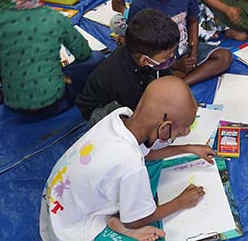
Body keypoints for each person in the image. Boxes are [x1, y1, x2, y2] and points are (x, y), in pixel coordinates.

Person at [40, 76, 216, 241]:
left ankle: (117, 217)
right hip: (71, 232)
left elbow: (146, 154)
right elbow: (135, 223)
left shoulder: (119, 117)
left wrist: (188, 148)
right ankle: (116, 220)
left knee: (153, 161)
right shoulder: (130, 162)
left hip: (61, 207)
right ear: (164, 128)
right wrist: (180, 202)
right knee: (156, 237)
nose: (180, 136)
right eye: (179, 133)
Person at [0, 0, 102, 114]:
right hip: (55, 102)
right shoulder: (52, 17)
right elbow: (83, 53)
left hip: (13, 106)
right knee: (96, 57)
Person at [77, 9, 177, 124]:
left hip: (129, 90)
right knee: (136, 124)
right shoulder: (124, 79)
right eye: (167, 56)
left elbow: (167, 77)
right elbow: (139, 110)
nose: (172, 56)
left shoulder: (140, 53)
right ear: (145, 60)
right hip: (98, 109)